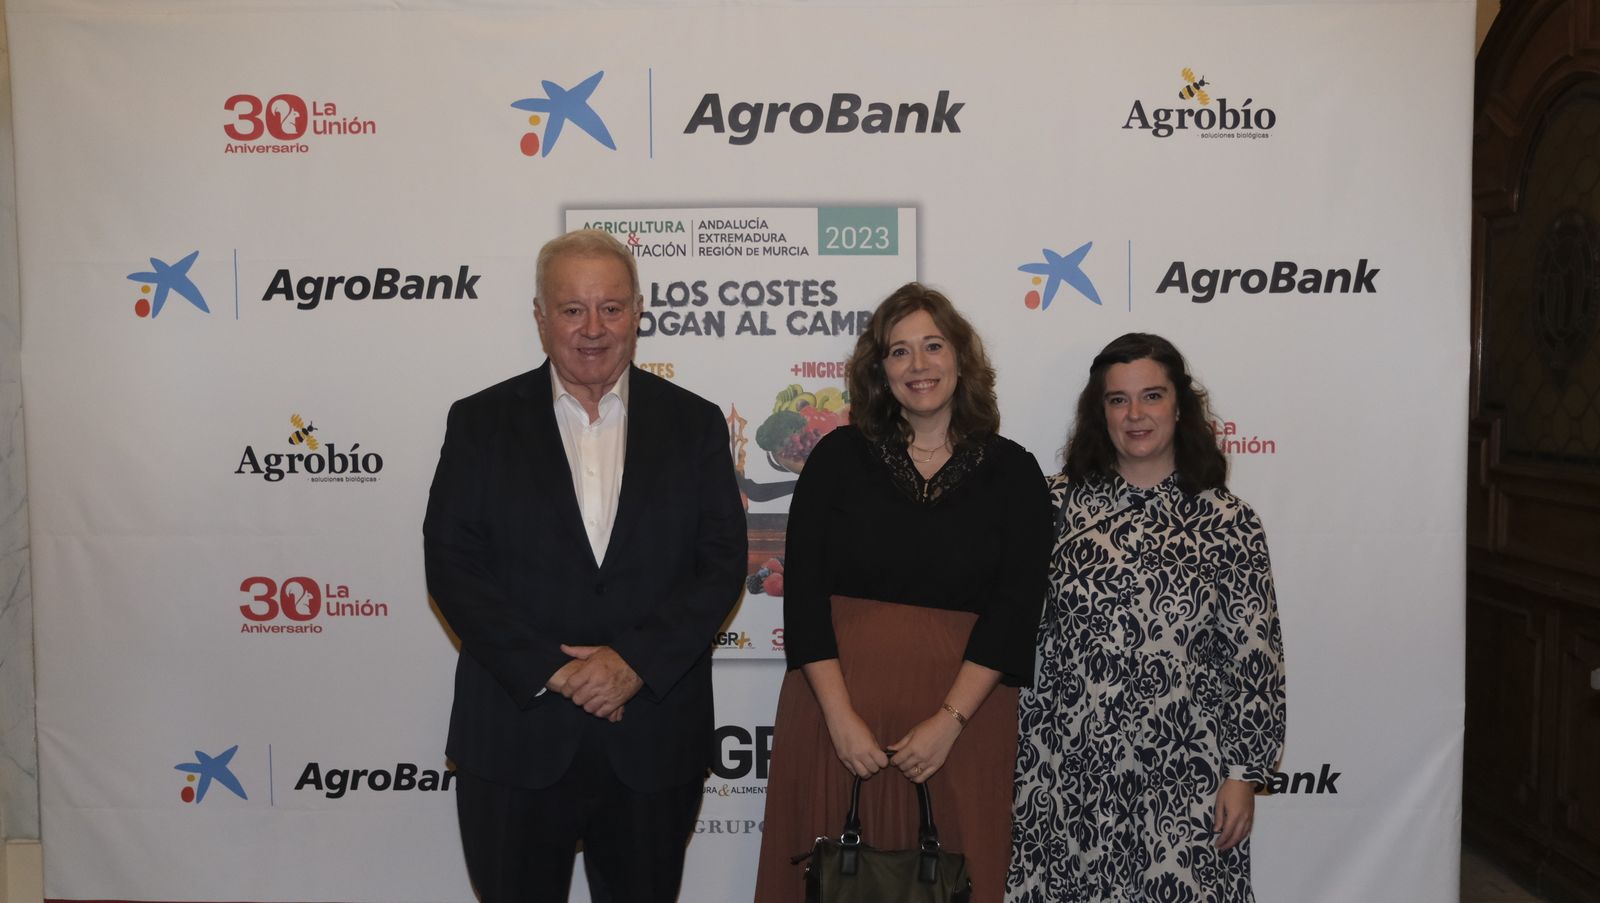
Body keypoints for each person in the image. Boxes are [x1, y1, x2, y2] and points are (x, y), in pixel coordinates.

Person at [422, 228, 747, 902]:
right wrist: (557, 670)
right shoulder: (480, 422)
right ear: (541, 318)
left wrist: (634, 662)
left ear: (638, 312)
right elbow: (453, 564)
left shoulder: (695, 424)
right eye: (573, 309)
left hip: (652, 739)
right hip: (515, 736)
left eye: (612, 307)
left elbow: (719, 563)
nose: (593, 328)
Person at [753, 283, 1053, 903]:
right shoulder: (836, 458)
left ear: (961, 360)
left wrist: (948, 724)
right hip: (835, 717)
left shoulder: (1015, 473)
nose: (918, 366)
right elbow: (803, 596)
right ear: (879, 369)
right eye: (899, 351)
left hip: (963, 726)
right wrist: (840, 721)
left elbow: (1015, 610)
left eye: (933, 346)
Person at [1006, 333, 1287, 902]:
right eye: (1118, 400)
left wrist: (1243, 774)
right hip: (1067, 771)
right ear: (1099, 412)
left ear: (1179, 406)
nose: (1135, 414)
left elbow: (1255, 659)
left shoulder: (1229, 523)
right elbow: (1011, 628)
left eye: (1151, 396)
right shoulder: (1052, 506)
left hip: (1187, 774)